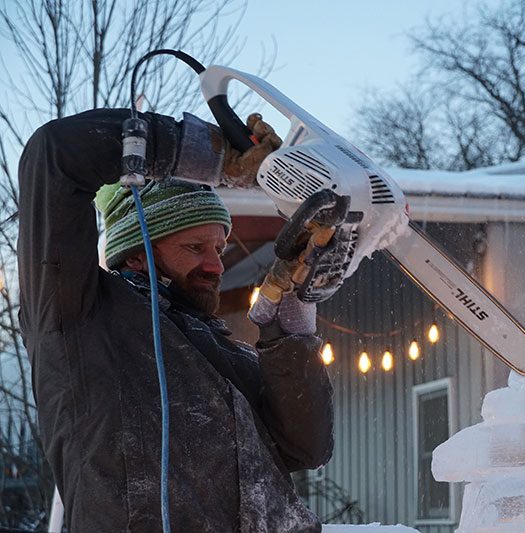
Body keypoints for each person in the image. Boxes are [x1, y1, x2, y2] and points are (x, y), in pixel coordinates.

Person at [17, 108, 334, 532]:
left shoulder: (221, 349)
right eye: (195, 247)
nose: (216, 266)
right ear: (136, 254)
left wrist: (288, 331)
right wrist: (211, 157)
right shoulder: (77, 316)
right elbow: (55, 154)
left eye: (218, 249)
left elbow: (305, 448)